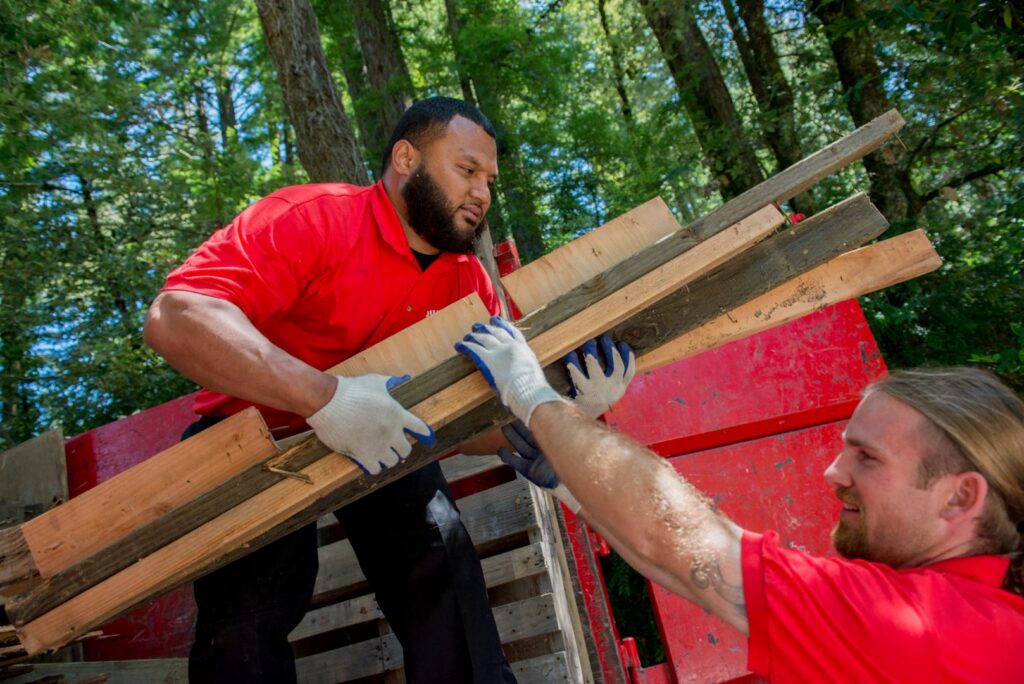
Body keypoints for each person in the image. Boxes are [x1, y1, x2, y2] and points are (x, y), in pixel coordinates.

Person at [456, 316, 1024, 683]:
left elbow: (677, 539)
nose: (833, 471)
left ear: (959, 499)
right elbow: (690, 569)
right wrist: (577, 487)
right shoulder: (983, 630)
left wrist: (532, 394)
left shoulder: (925, 632)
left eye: (867, 457)